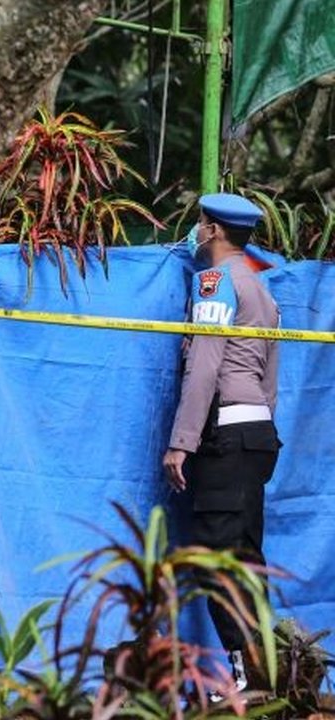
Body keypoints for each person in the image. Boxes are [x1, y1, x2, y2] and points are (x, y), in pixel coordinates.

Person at [161, 192, 280, 700]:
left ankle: (243, 679)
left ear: (211, 231)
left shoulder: (215, 281)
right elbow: (270, 373)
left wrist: (181, 442)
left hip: (223, 433)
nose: (195, 230)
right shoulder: (262, 290)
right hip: (255, 433)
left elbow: (204, 364)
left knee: (218, 560)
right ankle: (267, 673)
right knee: (247, 557)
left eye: (199, 223)